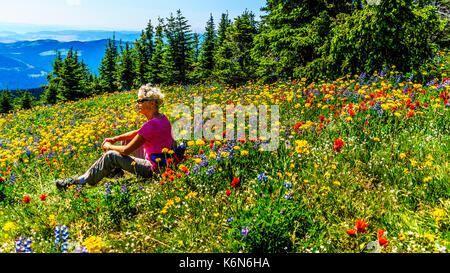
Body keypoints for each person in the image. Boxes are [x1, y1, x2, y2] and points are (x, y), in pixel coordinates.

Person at [55, 84, 174, 189]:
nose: (138, 104)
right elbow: (138, 132)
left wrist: (109, 146)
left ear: (152, 103)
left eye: (140, 101)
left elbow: (127, 151)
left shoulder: (151, 124)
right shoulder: (160, 118)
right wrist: (115, 139)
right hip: (164, 163)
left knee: (111, 156)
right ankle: (116, 171)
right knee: (126, 141)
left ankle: (80, 181)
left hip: (154, 169)